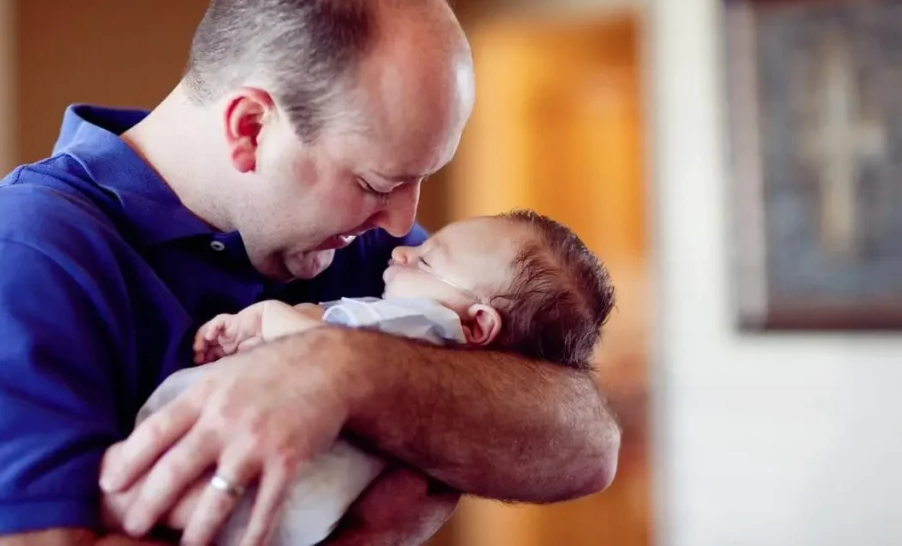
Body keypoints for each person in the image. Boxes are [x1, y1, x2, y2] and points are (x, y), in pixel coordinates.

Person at [0, 0, 620, 546]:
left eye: (417, 182)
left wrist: (343, 369)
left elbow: (587, 441)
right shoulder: (16, 269)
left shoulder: (366, 258)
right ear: (249, 128)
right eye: (373, 183)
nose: (401, 225)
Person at [134, 210, 616, 546]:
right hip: (289, 506)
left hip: (269, 489)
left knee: (152, 502)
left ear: (476, 325)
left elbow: (324, 343)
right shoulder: (427, 320)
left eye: (426, 259)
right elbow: (333, 325)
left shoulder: (427, 327)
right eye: (376, 180)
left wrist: (265, 319)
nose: (404, 248)